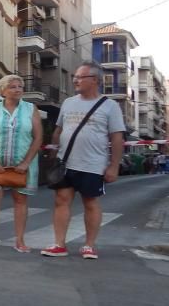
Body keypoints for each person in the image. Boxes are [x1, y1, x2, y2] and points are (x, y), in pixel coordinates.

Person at [42, 61, 125, 260]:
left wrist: (114, 166)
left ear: (94, 80)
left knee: (90, 202)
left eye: (80, 77)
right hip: (66, 162)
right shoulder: (69, 102)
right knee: (61, 201)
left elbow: (117, 138)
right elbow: (59, 130)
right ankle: (59, 244)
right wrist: (53, 152)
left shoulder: (110, 106)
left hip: (92, 164)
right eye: (75, 77)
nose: (75, 80)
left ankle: (89, 245)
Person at [0, 74, 42, 253]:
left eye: (20, 86)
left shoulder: (31, 108)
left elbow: (38, 137)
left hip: (23, 163)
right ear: (3, 90)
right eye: (13, 86)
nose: (18, 89)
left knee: (20, 199)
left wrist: (26, 162)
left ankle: (20, 241)